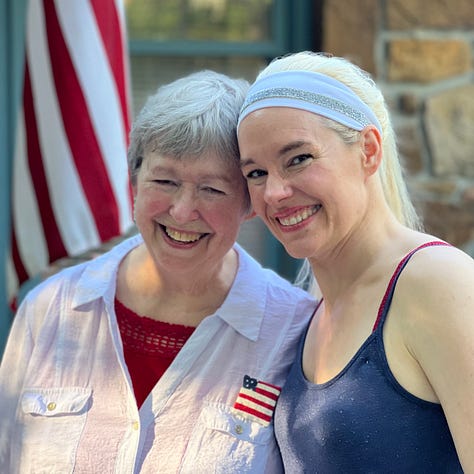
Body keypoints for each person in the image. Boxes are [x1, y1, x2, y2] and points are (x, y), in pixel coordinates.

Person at [0, 70, 316, 473]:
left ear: (250, 202)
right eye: (164, 181)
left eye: (212, 189)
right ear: (134, 181)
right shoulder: (49, 309)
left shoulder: (294, 333)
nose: (183, 211)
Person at [237, 51, 474, 472]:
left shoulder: (437, 281)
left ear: (368, 149)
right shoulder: (311, 314)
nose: (274, 192)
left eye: (298, 159)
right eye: (256, 173)